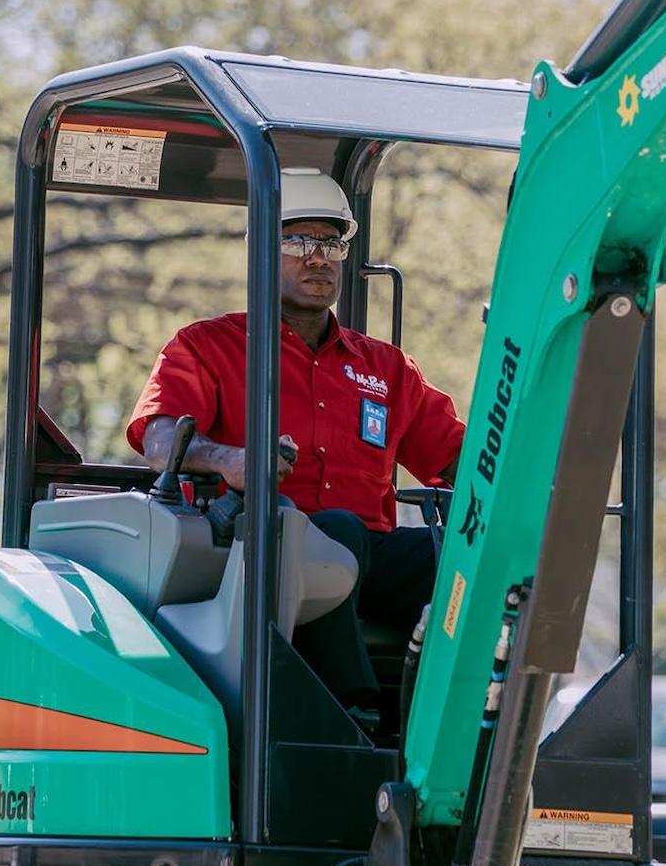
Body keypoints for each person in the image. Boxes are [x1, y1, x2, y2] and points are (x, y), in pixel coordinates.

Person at [125, 168, 463, 708]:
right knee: (332, 532)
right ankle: (356, 713)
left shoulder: (387, 369)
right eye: (298, 240)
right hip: (253, 555)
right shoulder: (209, 347)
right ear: (260, 250)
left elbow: (462, 460)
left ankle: (460, 722)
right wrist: (230, 459)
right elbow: (160, 439)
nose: (318, 257)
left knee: (464, 554)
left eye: (331, 243)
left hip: (367, 557)